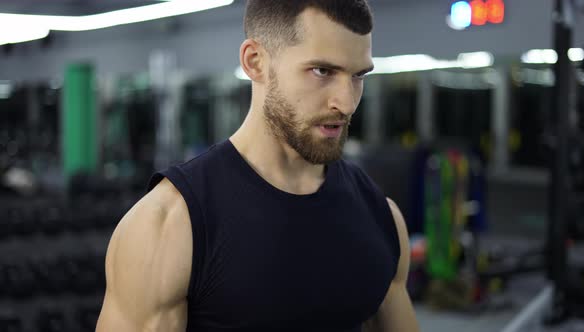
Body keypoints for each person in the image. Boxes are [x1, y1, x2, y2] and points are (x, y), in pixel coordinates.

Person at [96, 1, 420, 331]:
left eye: (357, 76)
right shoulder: (169, 225)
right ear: (256, 62)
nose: (347, 102)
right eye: (323, 71)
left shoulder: (380, 216)